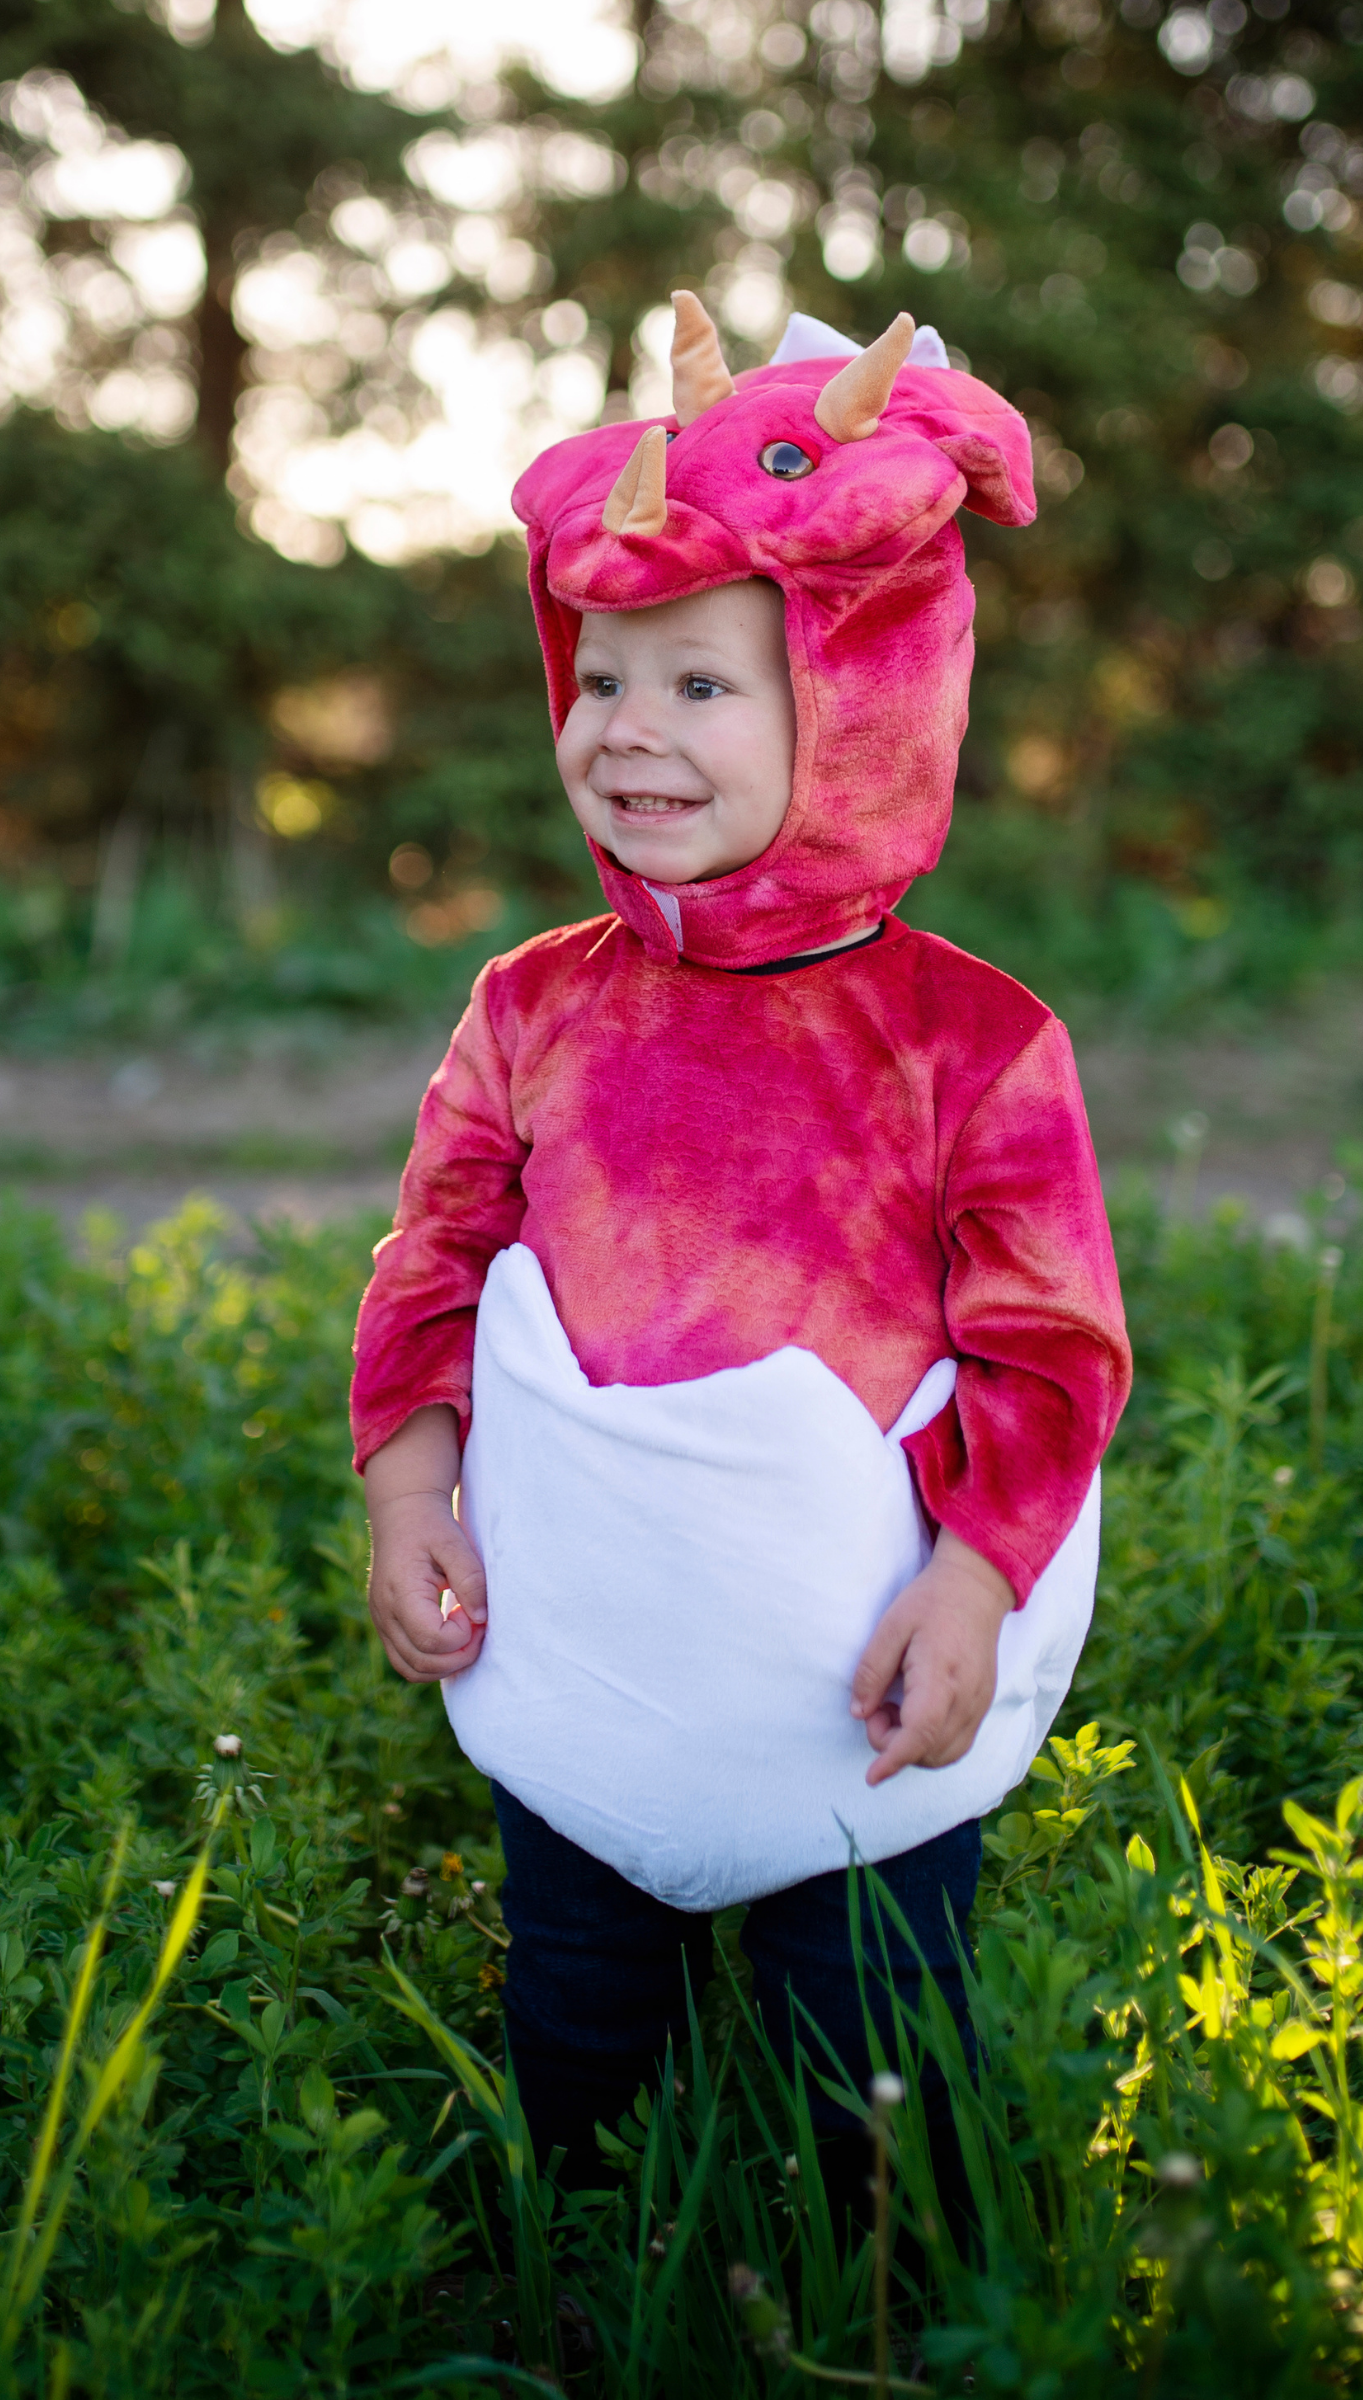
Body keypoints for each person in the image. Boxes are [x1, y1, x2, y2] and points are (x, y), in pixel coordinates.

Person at [352, 294, 1132, 2192]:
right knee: (579, 2003)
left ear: (860, 699)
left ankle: (871, 2284)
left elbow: (1049, 1352)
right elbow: (433, 1259)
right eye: (602, 679)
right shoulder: (536, 1003)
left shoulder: (973, 1038)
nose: (626, 732)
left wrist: (974, 1585)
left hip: (850, 1666)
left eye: (703, 686)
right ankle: (587, 2242)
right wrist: (410, 1480)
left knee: (868, 2032)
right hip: (588, 1632)